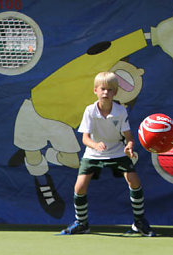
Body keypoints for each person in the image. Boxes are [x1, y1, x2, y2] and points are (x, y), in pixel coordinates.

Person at [60, 72, 155, 236]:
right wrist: (95, 145)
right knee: (79, 187)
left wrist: (129, 147)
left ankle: (138, 223)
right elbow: (85, 139)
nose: (106, 92)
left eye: (110, 90)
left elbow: (129, 138)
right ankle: (82, 223)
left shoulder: (120, 111)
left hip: (118, 151)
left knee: (134, 181)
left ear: (115, 93)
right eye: (103, 89)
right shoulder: (89, 111)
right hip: (93, 153)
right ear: (95, 90)